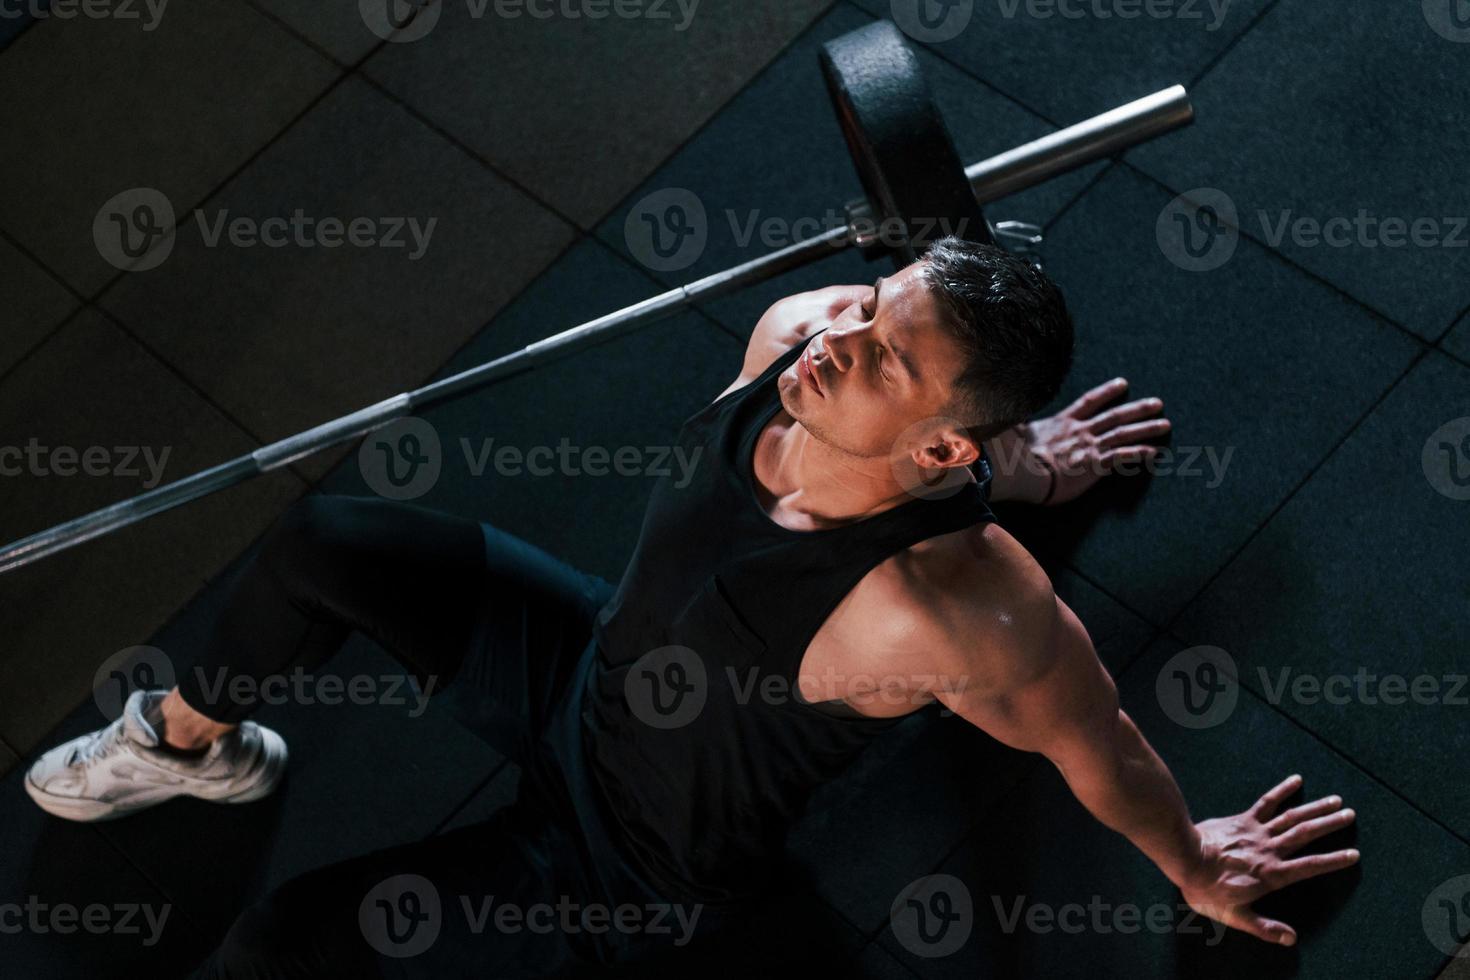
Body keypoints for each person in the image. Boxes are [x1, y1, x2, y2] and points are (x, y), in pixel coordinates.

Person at [23, 237, 1358, 975]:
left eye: (883, 354)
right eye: (864, 301)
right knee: (328, 540)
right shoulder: (791, 339)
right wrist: (1029, 456)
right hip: (583, 667)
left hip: (636, 862)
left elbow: (1097, 741)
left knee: (283, 947)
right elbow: (919, 407)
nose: (836, 339)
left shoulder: (954, 612)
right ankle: (191, 749)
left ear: (942, 449)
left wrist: (1192, 862)